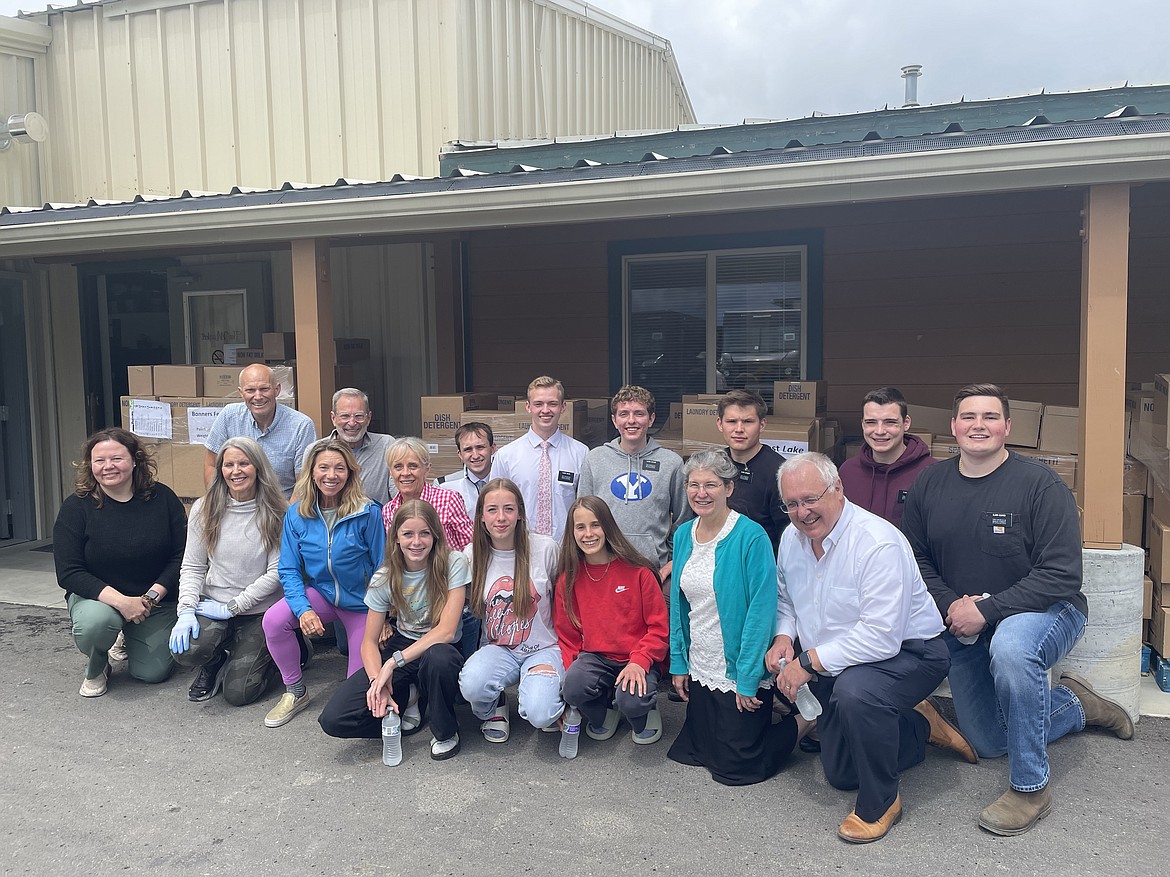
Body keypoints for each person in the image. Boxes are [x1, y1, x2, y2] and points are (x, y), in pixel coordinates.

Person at [902, 383, 1134, 836]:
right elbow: (915, 555)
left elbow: (1063, 575)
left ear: (1007, 427)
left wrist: (988, 610)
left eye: (990, 417)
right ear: (953, 427)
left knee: (1011, 647)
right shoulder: (930, 482)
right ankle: (1076, 705)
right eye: (968, 416)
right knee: (988, 743)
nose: (978, 425)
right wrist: (951, 604)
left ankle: (1031, 787)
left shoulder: (1040, 485)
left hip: (1047, 611)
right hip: (964, 620)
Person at [667, 449, 800, 785]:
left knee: (736, 769)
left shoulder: (751, 537)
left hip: (738, 664)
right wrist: (679, 663)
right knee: (693, 753)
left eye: (710, 484)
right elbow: (679, 607)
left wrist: (747, 677)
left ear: (728, 488)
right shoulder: (684, 534)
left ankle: (808, 722)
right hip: (701, 662)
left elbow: (762, 611)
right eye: (693, 485)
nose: (701, 493)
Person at [319, 500, 469, 760]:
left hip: (441, 647)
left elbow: (446, 630)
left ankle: (446, 731)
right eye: (408, 534)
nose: (416, 542)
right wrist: (378, 680)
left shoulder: (453, 562)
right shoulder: (385, 576)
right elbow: (368, 642)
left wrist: (392, 664)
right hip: (404, 642)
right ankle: (410, 696)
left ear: (435, 535)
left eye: (424, 533)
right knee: (334, 718)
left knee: (438, 659)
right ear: (396, 538)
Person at [261, 439, 385, 728]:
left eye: (339, 468)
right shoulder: (297, 514)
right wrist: (303, 610)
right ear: (312, 473)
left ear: (350, 473)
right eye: (324, 468)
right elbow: (289, 569)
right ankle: (295, 691)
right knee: (273, 620)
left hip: (362, 607)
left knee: (355, 689)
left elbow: (384, 567)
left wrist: (384, 616)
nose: (331, 475)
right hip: (324, 595)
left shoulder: (368, 512)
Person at [53, 428, 187, 697]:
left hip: (154, 601)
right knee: (97, 624)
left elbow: (182, 555)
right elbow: (69, 571)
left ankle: (128, 635)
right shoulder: (76, 508)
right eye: (99, 460)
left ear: (135, 460)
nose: (107, 467)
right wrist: (122, 602)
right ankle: (97, 665)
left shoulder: (163, 498)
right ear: (90, 465)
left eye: (117, 458)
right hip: (99, 600)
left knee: (152, 673)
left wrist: (150, 597)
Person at [168, 437, 285, 705]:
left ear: (258, 467)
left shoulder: (278, 511)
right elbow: (193, 566)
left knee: (239, 694)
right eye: (229, 464)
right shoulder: (204, 508)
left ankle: (284, 652)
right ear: (220, 469)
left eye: (244, 463)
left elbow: (277, 572)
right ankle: (215, 659)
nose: (236, 471)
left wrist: (234, 607)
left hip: (258, 612)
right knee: (187, 652)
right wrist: (185, 610)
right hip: (213, 606)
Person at [553, 496, 669, 757]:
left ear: (608, 526)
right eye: (580, 527)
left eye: (595, 525)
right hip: (596, 657)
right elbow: (567, 634)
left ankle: (644, 710)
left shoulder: (638, 572)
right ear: (572, 533)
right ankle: (606, 708)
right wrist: (576, 675)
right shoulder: (567, 579)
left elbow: (659, 628)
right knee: (572, 687)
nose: (588, 534)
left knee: (632, 699)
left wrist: (640, 661)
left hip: (636, 657)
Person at [458, 478, 564, 742]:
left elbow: (567, 601)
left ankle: (553, 698)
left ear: (519, 514)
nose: (501, 517)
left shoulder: (545, 548)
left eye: (509, 509)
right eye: (492, 509)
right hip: (498, 648)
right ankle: (495, 707)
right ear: (481, 516)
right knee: (472, 684)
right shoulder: (471, 555)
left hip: (544, 648)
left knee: (542, 714)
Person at [577, 385, 691, 583]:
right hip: (603, 566)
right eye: (624, 414)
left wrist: (671, 559)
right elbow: (582, 515)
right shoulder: (594, 459)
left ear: (651, 419)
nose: (631, 421)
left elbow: (683, 520)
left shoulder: (671, 463)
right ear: (614, 420)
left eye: (639, 414)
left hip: (652, 569)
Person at [382, 437, 478, 656]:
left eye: (413, 466)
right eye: (398, 467)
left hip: (453, 601)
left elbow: (471, 546)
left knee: (460, 674)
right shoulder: (388, 511)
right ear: (390, 471)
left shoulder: (449, 499)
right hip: (414, 608)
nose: (405, 473)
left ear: (427, 469)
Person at [492, 376, 588, 541]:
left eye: (552, 403)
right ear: (528, 407)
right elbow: (494, 506)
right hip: (522, 548)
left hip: (566, 550)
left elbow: (586, 508)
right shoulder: (506, 456)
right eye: (538, 404)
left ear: (563, 407)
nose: (545, 410)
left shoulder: (581, 453)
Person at [203, 363, 317, 497]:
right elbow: (211, 466)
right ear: (241, 392)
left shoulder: (301, 426)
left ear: (277, 389)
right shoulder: (228, 417)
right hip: (235, 507)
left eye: (264, 389)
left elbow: (303, 483)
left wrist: (289, 516)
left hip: (280, 510)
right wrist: (220, 505)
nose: (258, 396)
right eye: (250, 390)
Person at [839, 387, 933, 526]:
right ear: (862, 425)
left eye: (889, 422)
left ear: (906, 423)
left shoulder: (930, 473)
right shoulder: (848, 472)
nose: (879, 431)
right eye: (871, 422)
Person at [716, 389, 787, 552]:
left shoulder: (779, 472)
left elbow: (787, 535)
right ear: (720, 424)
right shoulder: (713, 466)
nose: (739, 429)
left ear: (762, 425)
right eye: (731, 421)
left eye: (748, 421)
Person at [314, 388, 396, 504]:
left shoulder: (386, 446)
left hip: (374, 520)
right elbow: (306, 494)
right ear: (333, 418)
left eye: (359, 416)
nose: (352, 423)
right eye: (345, 416)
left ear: (369, 418)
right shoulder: (315, 451)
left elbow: (398, 493)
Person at [437, 422, 497, 521]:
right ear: (460, 454)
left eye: (480, 447)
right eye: (468, 449)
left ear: (493, 448)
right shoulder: (444, 486)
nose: (475, 455)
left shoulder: (508, 481)